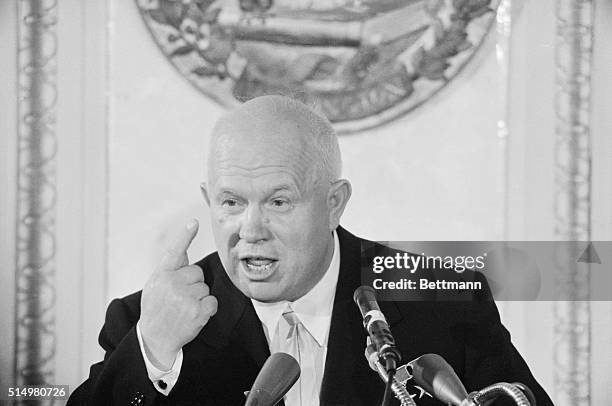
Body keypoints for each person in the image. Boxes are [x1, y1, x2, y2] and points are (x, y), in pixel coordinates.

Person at [68, 95, 553, 406]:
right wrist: (151, 349)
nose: (250, 229)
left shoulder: (441, 300)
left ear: (334, 203)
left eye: (279, 201)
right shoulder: (145, 322)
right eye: (231, 203)